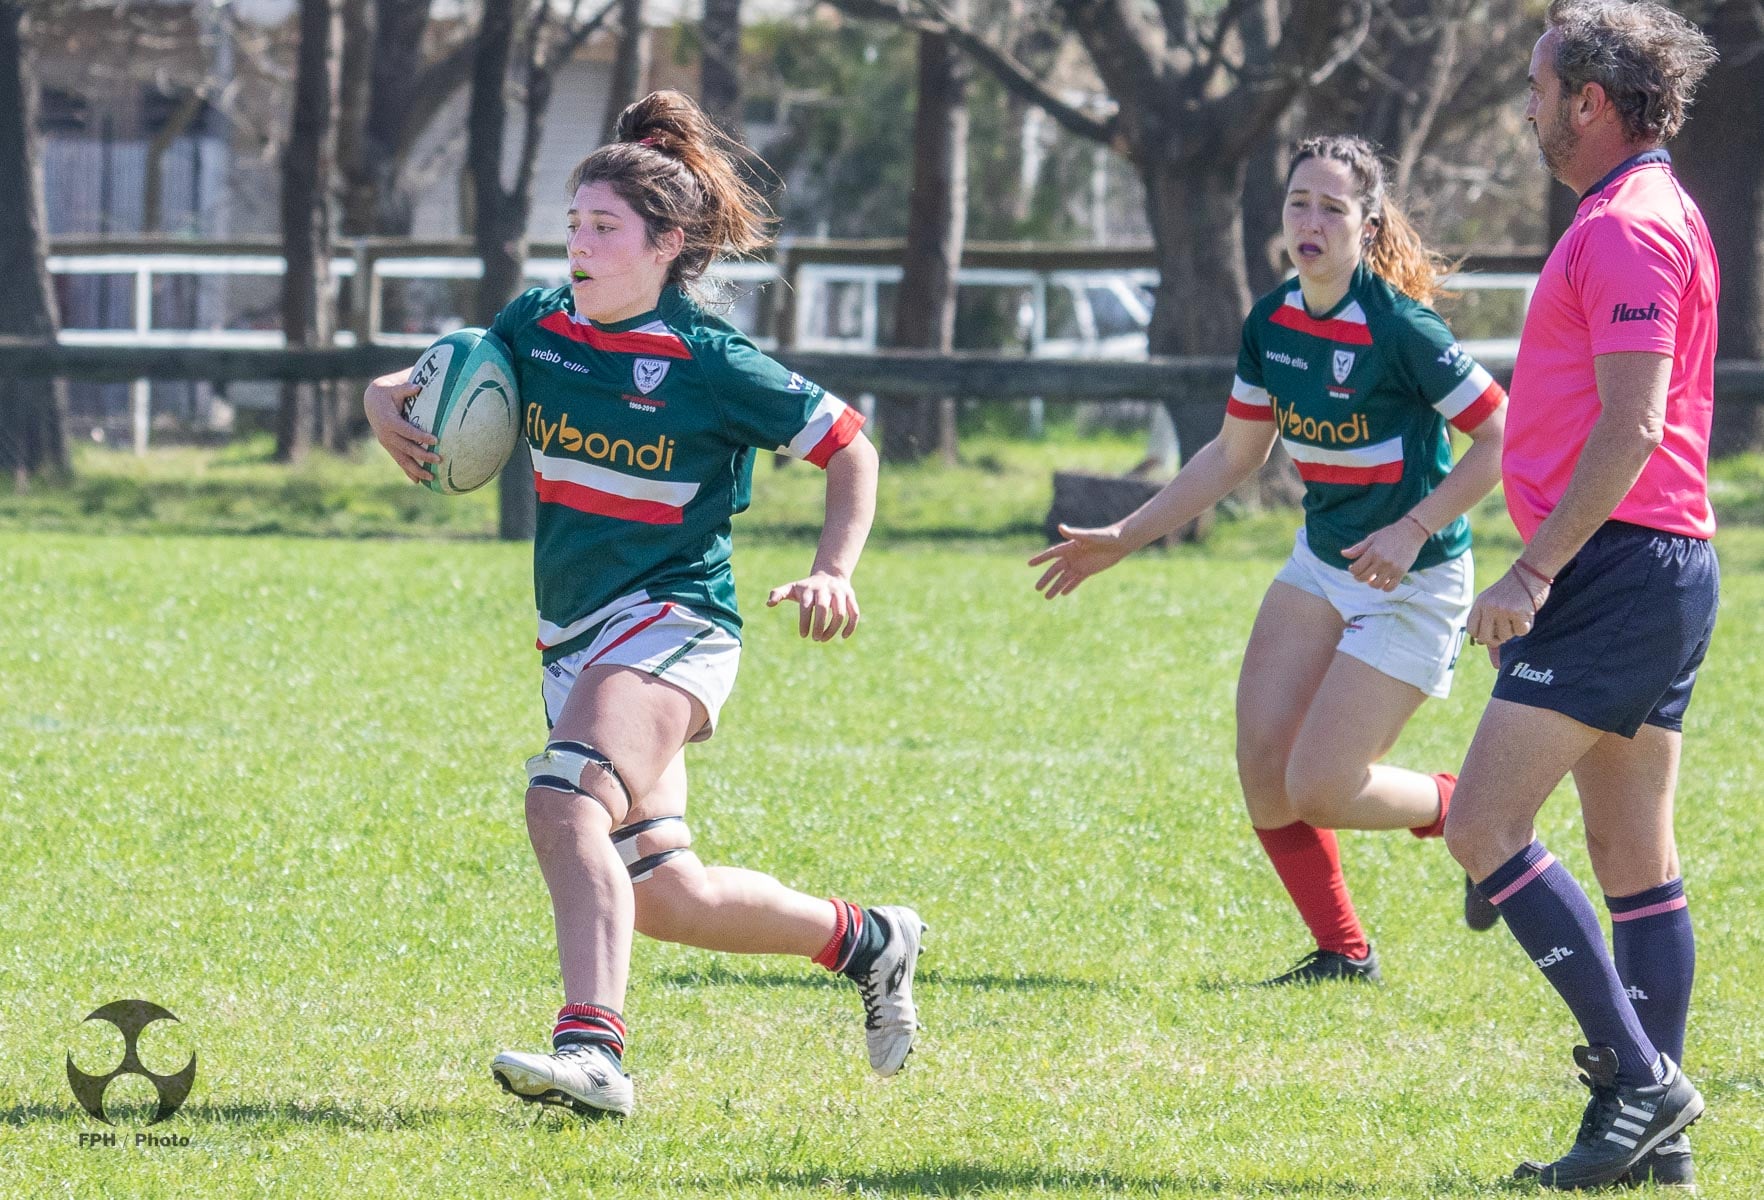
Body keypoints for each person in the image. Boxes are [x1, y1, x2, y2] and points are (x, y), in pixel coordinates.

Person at [364, 91, 923, 1120]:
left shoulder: (708, 361)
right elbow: (428, 378)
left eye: (603, 227)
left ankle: (595, 1057)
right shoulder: (538, 324)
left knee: (563, 794)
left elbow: (853, 446)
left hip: (674, 623)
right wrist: (379, 403)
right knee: (666, 892)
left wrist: (834, 566)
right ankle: (870, 940)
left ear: (667, 245)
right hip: (573, 636)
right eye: (573, 224)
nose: (578, 243)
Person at [1031, 135, 1507, 986]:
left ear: (1366, 225)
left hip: (1415, 581)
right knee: (1263, 769)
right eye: (1298, 203)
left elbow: (1504, 436)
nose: (1311, 222)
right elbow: (1233, 456)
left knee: (1320, 785)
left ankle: (1470, 808)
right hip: (1324, 564)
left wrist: (1411, 529)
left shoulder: (1400, 326)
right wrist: (1125, 537)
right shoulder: (1272, 321)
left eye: (1332, 207)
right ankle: (1342, 952)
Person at [1442, 1, 1719, 1189]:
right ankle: (1658, 1148)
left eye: (1541, 89)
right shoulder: (1640, 213)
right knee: (1631, 860)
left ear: (1591, 104)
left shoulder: (1629, 230)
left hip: (1614, 566)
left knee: (1482, 828)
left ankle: (1644, 1087)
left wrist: (1534, 565)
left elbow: (1634, 421)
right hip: (1653, 566)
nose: (1531, 111)